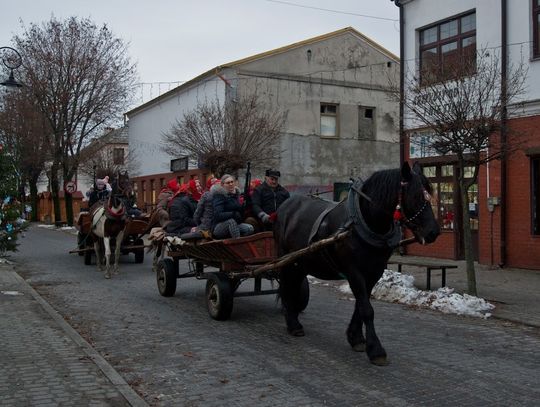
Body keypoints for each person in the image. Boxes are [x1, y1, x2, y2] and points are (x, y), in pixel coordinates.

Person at [212, 174, 254, 239]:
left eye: (232, 182)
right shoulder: (219, 196)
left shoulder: (235, 195)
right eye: (228, 183)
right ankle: (238, 244)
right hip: (219, 227)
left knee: (249, 228)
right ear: (223, 185)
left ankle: (241, 243)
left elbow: (239, 214)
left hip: (234, 225)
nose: (231, 184)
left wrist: (245, 206)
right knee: (231, 221)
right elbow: (218, 215)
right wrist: (233, 214)